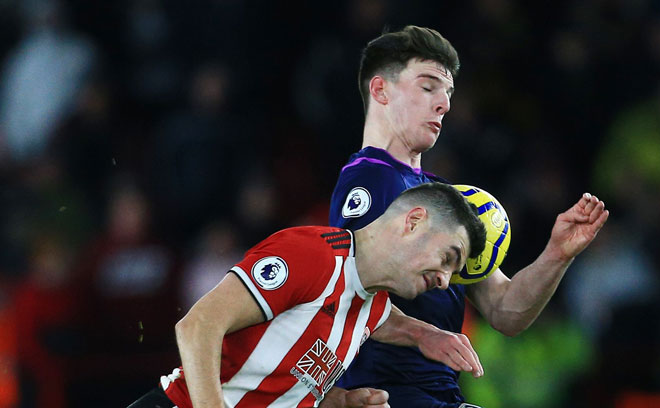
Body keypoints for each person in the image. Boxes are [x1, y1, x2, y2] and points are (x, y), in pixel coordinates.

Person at [326, 25, 609, 408]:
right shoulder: (370, 178)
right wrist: (425, 334)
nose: (443, 103)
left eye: (448, 93)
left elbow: (505, 310)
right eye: (428, 87)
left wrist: (557, 254)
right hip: (383, 394)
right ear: (381, 91)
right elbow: (347, 291)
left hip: (441, 395)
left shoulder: (446, 197)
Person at [127, 182, 488, 408]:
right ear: (413, 222)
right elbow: (198, 325)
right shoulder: (312, 255)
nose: (444, 279)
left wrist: (335, 402)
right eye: (448, 258)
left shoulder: (373, 307)